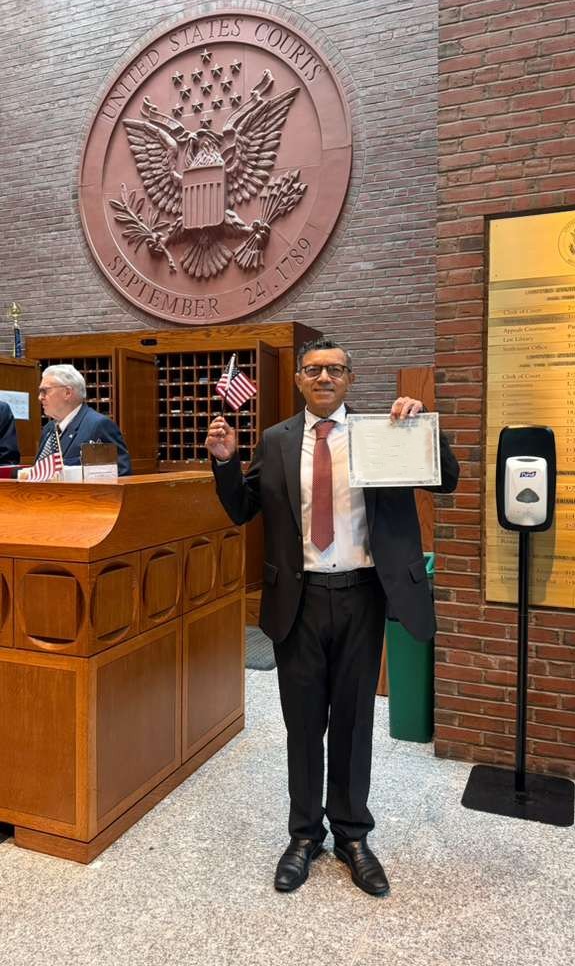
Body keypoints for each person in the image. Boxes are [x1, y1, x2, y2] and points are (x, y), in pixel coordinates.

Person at [206, 337, 459, 897]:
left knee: (351, 721)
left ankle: (351, 833)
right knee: (302, 724)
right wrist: (224, 464)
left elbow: (446, 480)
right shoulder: (275, 441)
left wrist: (424, 430)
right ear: (299, 379)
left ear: (350, 378)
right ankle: (303, 835)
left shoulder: (384, 433)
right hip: (297, 600)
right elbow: (241, 509)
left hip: (362, 596)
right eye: (314, 369)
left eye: (335, 369)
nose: (324, 377)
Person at [35, 364, 132, 475]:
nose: (40, 397)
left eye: (45, 391)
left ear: (67, 392)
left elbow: (121, 474)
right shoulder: (49, 429)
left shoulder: (98, 425)